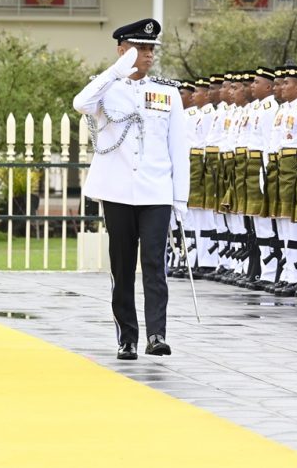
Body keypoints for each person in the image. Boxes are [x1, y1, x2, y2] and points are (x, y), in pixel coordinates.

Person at [73, 18, 189, 361]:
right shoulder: (105, 88)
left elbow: (178, 148)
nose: (148, 54)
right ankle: (127, 338)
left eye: (151, 48)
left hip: (156, 192)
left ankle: (156, 335)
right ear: (122, 50)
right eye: (140, 48)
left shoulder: (168, 93)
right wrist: (115, 71)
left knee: (154, 264)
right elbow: (80, 103)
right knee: (122, 268)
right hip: (118, 191)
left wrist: (180, 199)